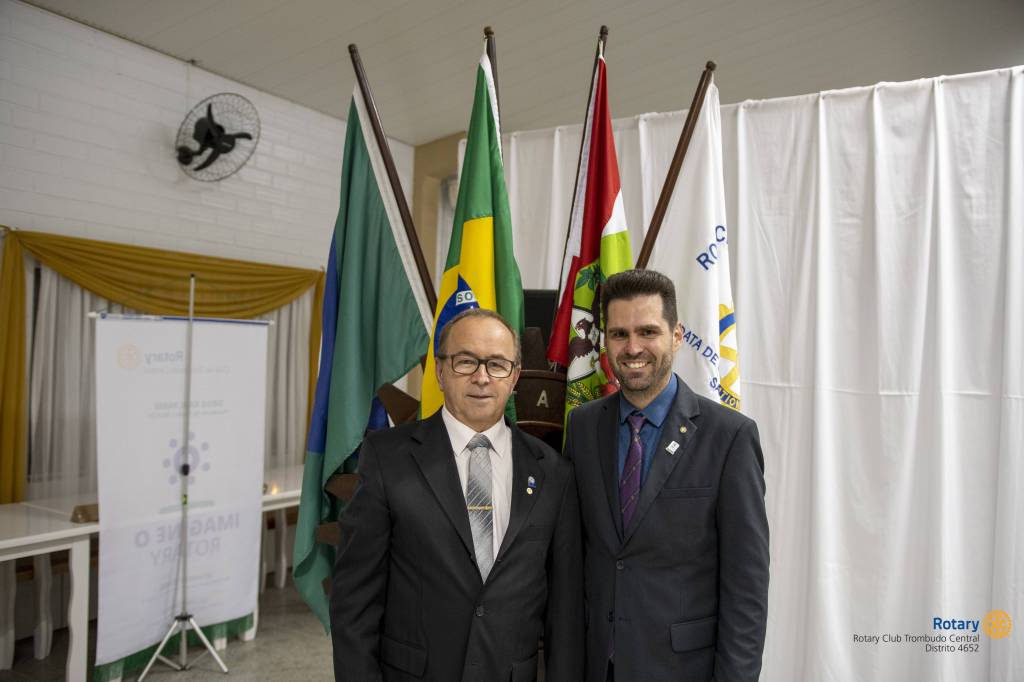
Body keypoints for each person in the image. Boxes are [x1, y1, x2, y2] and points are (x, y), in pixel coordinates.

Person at [331, 308, 583, 682]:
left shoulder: (553, 473)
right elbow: (354, 602)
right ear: (440, 370)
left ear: (514, 376)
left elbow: (565, 614)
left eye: (497, 364)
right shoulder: (388, 459)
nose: (482, 377)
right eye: (466, 362)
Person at [564, 269, 769, 682]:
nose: (632, 347)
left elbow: (746, 589)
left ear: (676, 335)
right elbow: (576, 560)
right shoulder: (583, 427)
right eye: (619, 334)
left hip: (684, 670)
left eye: (648, 332)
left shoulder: (729, 437)